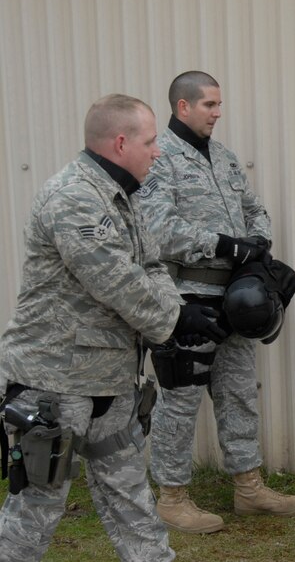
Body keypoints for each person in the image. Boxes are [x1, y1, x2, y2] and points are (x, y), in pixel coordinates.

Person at [0, 94, 227, 562]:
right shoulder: (73, 197)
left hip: (112, 383)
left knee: (131, 499)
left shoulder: (128, 196)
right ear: (120, 143)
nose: (157, 151)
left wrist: (176, 309)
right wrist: (174, 320)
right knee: (36, 508)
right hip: (55, 384)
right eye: (149, 142)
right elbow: (115, 279)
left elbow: (150, 264)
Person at [139, 70, 295, 535]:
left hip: (237, 297)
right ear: (183, 107)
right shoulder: (159, 160)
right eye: (210, 105)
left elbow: (256, 209)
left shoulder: (226, 158)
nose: (218, 112)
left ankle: (248, 488)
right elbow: (159, 230)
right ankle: (171, 497)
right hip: (186, 298)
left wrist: (257, 241)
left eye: (219, 104)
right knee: (181, 398)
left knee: (237, 391)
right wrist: (226, 245)